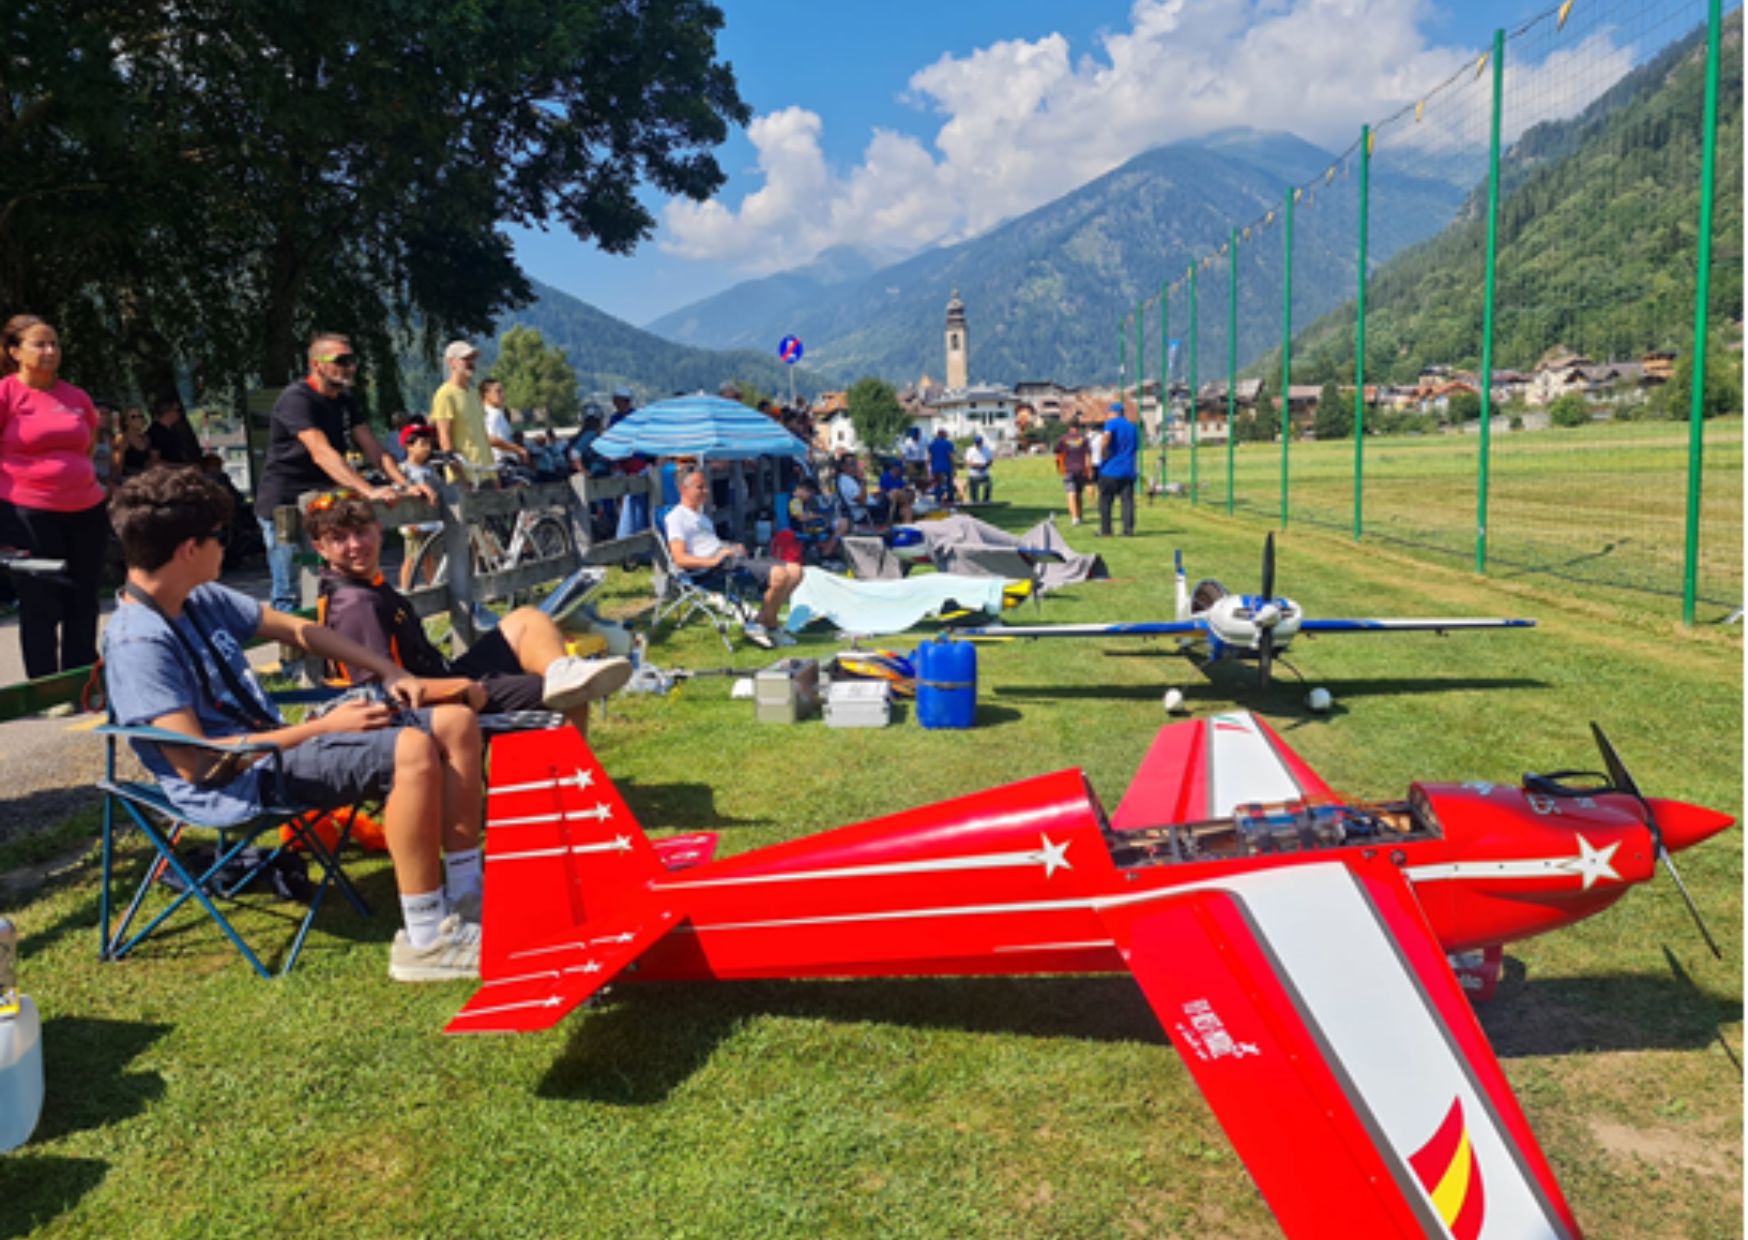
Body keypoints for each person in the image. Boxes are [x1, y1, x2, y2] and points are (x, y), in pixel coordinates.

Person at [104, 467, 486, 981]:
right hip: (235, 782)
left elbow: (299, 631)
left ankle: (466, 894)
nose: (227, 548)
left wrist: (389, 670)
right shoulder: (140, 642)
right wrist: (324, 729)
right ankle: (426, 940)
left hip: (274, 748)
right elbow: (200, 764)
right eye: (220, 537)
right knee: (411, 749)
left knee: (456, 722)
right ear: (189, 550)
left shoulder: (198, 597)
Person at [304, 491, 631, 740]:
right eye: (339, 539)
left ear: (378, 530)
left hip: (440, 675)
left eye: (361, 532)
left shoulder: (364, 585)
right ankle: (570, 787)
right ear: (320, 548)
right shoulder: (355, 603)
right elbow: (379, 693)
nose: (355, 545)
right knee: (560, 697)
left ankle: (564, 671)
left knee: (527, 620)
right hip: (425, 704)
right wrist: (460, 686)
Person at [255, 332, 430, 613]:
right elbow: (322, 453)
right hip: (285, 509)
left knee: (331, 580)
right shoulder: (296, 399)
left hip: (322, 505)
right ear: (317, 364)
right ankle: (294, 643)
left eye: (353, 360)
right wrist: (369, 491)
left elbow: (373, 448)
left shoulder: (345, 400)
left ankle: (334, 637)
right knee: (291, 591)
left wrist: (405, 484)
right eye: (341, 360)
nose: (350, 367)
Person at [0, 314, 110, 679]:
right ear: (15, 352)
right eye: (40, 344)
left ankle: (80, 682)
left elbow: (87, 446)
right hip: (27, 513)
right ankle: (46, 687)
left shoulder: (75, 396)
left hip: (86, 509)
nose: (50, 351)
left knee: (83, 597)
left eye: (55, 344)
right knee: (40, 601)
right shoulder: (6, 394)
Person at [665, 466, 800, 648]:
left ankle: (762, 620)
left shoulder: (702, 518)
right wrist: (714, 560)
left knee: (796, 571)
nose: (706, 491)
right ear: (683, 489)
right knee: (780, 575)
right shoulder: (676, 518)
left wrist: (730, 546)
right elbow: (679, 559)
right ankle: (772, 626)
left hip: (729, 561)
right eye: (700, 487)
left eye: (706, 486)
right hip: (712, 571)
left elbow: (709, 544)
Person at [429, 341, 494, 476]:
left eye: (472, 359)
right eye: (465, 359)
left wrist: (494, 472)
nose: (471, 363)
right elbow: (444, 436)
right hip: (466, 473)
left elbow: (482, 433)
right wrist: (459, 476)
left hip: (486, 470)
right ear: (451, 362)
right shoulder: (445, 394)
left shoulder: (473, 393)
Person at [396, 424, 444, 590]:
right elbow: (399, 490)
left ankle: (432, 587)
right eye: (423, 444)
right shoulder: (402, 470)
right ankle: (405, 589)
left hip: (431, 521)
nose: (428, 448)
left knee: (430, 558)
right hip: (413, 522)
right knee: (411, 558)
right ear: (409, 446)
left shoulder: (431, 469)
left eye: (429, 444)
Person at [1098, 401, 1139, 538]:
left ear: (1112, 413)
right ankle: (1128, 529)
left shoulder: (1111, 423)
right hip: (1128, 469)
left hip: (1110, 469)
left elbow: (1106, 437)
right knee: (1127, 501)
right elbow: (1135, 448)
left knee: (1106, 500)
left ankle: (1106, 530)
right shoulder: (1132, 427)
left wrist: (1103, 451)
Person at [479, 377, 529, 469]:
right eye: (498, 391)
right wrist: (518, 449)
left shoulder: (495, 412)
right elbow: (490, 438)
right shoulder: (492, 414)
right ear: (486, 394)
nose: (503, 395)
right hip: (500, 462)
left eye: (502, 391)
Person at [1054, 417, 1092, 526]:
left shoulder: (1063, 439)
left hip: (1068, 469)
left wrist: (1059, 467)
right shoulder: (1084, 439)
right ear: (1079, 426)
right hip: (1081, 469)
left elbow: (1057, 454)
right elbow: (1087, 456)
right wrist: (1089, 470)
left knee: (1071, 493)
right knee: (1079, 494)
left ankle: (1074, 518)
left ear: (1068, 426)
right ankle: (1079, 515)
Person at [147, 394, 203, 467]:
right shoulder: (154, 433)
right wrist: (183, 466)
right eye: (177, 410)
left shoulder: (171, 431)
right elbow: (155, 461)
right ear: (168, 412)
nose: (180, 413)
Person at [113, 406, 157, 484]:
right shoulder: (121, 439)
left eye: (141, 416)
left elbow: (150, 463)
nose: (139, 419)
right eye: (133, 417)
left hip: (145, 478)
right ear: (126, 421)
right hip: (128, 480)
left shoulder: (146, 439)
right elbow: (117, 467)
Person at [927, 427, 957, 502]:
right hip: (946, 468)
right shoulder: (949, 444)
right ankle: (950, 500)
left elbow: (929, 458)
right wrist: (954, 467)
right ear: (945, 435)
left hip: (936, 468)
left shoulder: (932, 444)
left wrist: (928, 468)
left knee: (938, 485)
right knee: (949, 484)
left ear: (938, 435)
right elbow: (951, 457)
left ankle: (938, 501)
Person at [964, 435, 993, 503]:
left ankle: (986, 500)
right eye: (977, 443)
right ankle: (974, 500)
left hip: (984, 472)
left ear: (982, 442)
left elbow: (990, 460)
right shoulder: (970, 450)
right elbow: (967, 461)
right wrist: (977, 466)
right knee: (973, 488)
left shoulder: (986, 449)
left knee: (988, 485)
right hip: (973, 473)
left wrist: (985, 466)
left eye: (979, 443)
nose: (978, 444)